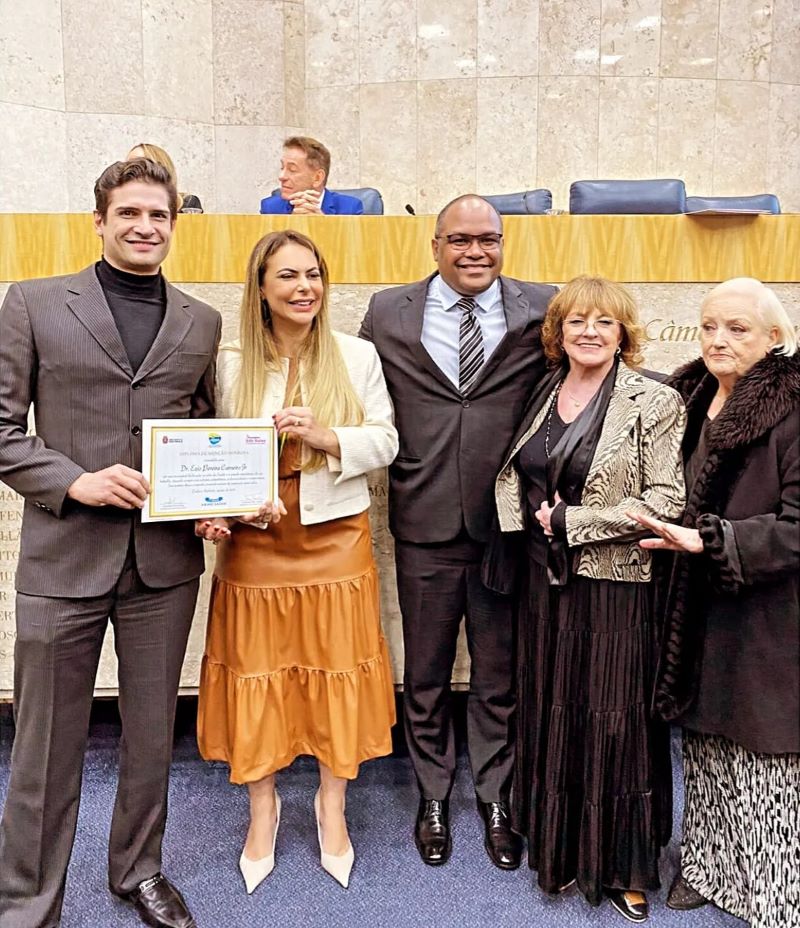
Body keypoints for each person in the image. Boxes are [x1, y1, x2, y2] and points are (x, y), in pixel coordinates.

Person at [0, 159, 221, 928]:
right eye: (128, 213)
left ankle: (139, 870)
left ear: (173, 224)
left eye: (158, 215)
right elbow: (0, 432)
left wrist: (211, 503)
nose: (144, 227)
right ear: (98, 220)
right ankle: (28, 903)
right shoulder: (31, 303)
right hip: (63, 559)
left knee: (153, 734)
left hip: (163, 566)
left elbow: (201, 433)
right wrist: (74, 481)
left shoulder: (201, 320)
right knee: (44, 749)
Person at [195, 230, 397, 892]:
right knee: (257, 676)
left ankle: (330, 806)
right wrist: (222, 508)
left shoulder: (357, 355)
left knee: (338, 673)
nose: (304, 287)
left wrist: (324, 435)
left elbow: (387, 439)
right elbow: (207, 456)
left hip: (335, 541)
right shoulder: (226, 364)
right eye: (287, 276)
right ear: (261, 288)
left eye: (312, 274)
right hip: (255, 547)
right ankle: (263, 809)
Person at [359, 194, 557, 869]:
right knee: (427, 673)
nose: (475, 252)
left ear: (503, 243)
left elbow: (590, 375)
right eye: (460, 240)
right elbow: (354, 390)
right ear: (435, 244)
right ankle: (433, 793)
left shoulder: (543, 307)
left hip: (505, 524)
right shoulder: (389, 312)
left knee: (499, 671)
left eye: (488, 239)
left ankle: (496, 796)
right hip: (424, 520)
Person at [490, 276, 686, 922]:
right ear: (559, 331)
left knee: (614, 723)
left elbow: (665, 503)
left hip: (615, 589)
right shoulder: (545, 390)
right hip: (546, 588)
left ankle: (627, 868)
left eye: (605, 321)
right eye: (577, 321)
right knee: (554, 710)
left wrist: (574, 523)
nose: (590, 331)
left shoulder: (653, 401)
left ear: (624, 331)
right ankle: (563, 850)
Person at [630, 278, 799, 928]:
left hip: (766, 614)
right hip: (694, 607)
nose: (718, 340)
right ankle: (704, 867)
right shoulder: (688, 395)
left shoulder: (792, 407)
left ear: (775, 339)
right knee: (702, 747)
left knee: (765, 756)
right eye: (709, 327)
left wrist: (713, 541)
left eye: (738, 329)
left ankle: (773, 893)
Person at [258, 136, 364, 215]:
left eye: (292, 170)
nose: (282, 176)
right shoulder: (270, 208)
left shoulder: (350, 209)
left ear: (317, 178)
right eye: (282, 168)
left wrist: (322, 226)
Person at [126, 142, 203, 212]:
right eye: (128, 164)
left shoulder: (188, 203)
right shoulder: (122, 204)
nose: (132, 169)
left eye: (140, 163)